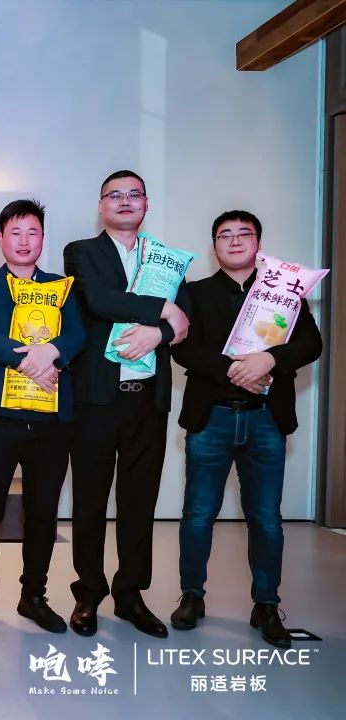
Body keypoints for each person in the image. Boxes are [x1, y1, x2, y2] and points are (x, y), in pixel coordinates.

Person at [170, 210, 322, 648]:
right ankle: (192, 596)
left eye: (244, 234)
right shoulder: (194, 293)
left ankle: (267, 604)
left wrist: (269, 360)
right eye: (225, 235)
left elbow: (311, 343)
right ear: (214, 245)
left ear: (259, 243)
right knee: (198, 515)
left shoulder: (286, 292)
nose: (235, 241)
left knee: (266, 518)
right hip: (211, 418)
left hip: (266, 418)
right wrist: (235, 370)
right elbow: (183, 350)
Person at [62, 170, 190, 638]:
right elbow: (99, 300)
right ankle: (88, 594)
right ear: (101, 205)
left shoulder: (165, 258)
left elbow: (185, 319)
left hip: (147, 401)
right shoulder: (82, 252)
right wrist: (162, 311)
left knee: (139, 501)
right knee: (90, 500)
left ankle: (131, 594)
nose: (124, 201)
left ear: (146, 204)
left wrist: (160, 331)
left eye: (134, 194)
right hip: (97, 398)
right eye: (114, 195)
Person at [0, 199, 85, 635]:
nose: (24, 240)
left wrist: (52, 352)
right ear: (1, 239)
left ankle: (33, 596)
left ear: (42, 239)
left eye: (32, 232)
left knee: (43, 513)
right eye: (15, 232)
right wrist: (29, 361)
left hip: (51, 421)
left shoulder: (62, 286)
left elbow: (77, 333)